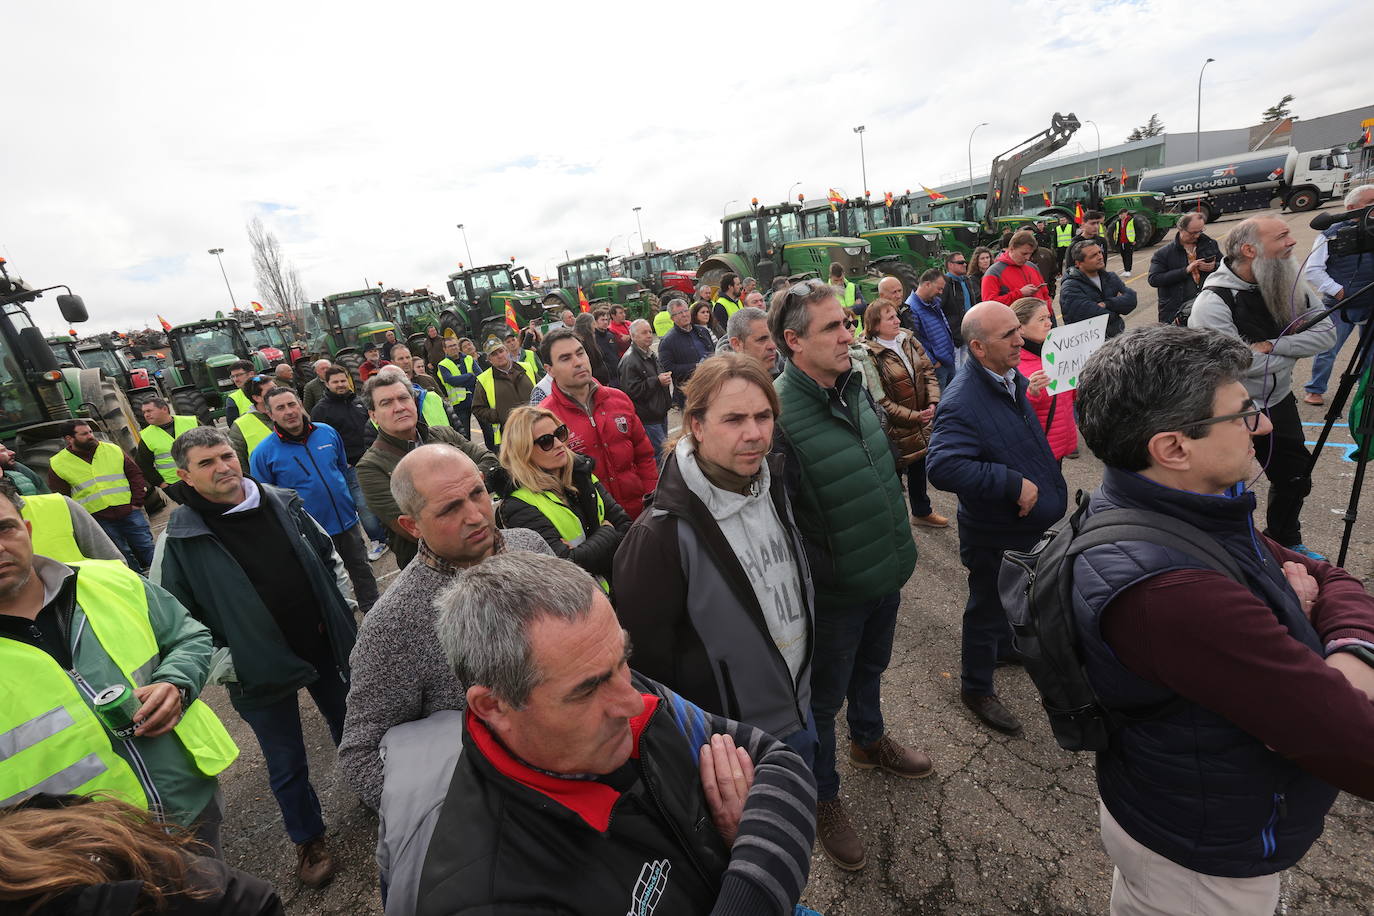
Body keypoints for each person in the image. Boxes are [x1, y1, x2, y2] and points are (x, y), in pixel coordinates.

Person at [1071, 324, 1374, 914]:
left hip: (1177, 811)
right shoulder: (1173, 590)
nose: (1262, 425)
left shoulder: (1177, 507)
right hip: (1202, 865)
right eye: (1241, 414)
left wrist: (1324, 631)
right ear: (1173, 448)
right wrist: (1342, 652)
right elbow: (1356, 741)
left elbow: (1331, 576)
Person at [406, 552, 817, 915]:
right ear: (494, 707)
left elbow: (779, 763)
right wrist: (753, 852)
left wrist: (743, 868)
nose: (633, 702)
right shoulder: (492, 898)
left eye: (623, 658)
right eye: (587, 689)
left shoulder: (620, 687)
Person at [153, 427, 358, 887]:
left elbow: (328, 558)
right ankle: (309, 839)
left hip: (320, 645)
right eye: (206, 463)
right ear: (185, 475)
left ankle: (372, 787)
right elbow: (175, 619)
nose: (222, 467)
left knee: (351, 722)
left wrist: (338, 609)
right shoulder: (179, 538)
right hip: (258, 671)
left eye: (226, 456)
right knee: (286, 761)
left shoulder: (283, 502)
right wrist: (232, 662)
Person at [769, 279, 928, 871]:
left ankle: (870, 740)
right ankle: (823, 798)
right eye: (832, 328)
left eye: (846, 322)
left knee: (873, 666)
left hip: (882, 568)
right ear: (793, 341)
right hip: (835, 593)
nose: (849, 335)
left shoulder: (855, 386)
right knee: (820, 701)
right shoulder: (779, 415)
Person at [0, 484, 237, 852]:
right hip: (80, 861)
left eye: (5, 528)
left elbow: (188, 636)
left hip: (189, 809)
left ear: (27, 530)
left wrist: (176, 683)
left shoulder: (109, 579)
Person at [614, 354, 817, 764]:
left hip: (799, 705)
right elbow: (649, 672)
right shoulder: (659, 535)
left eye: (763, 417)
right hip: (732, 740)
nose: (754, 434)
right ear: (697, 426)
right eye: (734, 419)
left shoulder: (772, 484)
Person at [338, 444, 553, 811]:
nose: (475, 516)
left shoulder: (531, 546)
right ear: (411, 525)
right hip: (503, 812)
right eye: (450, 508)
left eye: (477, 494)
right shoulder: (395, 622)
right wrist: (451, 825)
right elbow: (360, 753)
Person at [927, 301, 1068, 736]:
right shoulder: (962, 400)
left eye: (1016, 330)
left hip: (1019, 524)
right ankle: (976, 687)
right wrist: (1011, 483)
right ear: (978, 347)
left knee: (1011, 601)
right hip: (994, 531)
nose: (1019, 340)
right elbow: (942, 466)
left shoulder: (1006, 375)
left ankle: (1005, 649)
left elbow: (1006, 434)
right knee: (987, 607)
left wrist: (1032, 398)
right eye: (1008, 335)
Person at [1188, 215, 1336, 558]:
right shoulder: (1213, 302)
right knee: (1227, 486)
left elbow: (1327, 334)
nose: (1292, 241)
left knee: (1296, 477)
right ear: (1250, 249)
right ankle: (1230, 549)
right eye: (1282, 236)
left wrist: (1274, 345)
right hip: (1230, 410)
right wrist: (1292, 350)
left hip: (1279, 399)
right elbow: (1238, 365)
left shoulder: (1289, 281)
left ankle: (1285, 538)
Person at [0, 795, 283, 915]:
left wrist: (176, 684)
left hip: (100, 841)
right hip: (91, 827)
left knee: (206, 885)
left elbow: (246, 903)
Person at [251, 386, 379, 614]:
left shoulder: (327, 433)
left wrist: (350, 503)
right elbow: (267, 501)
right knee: (327, 582)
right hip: (311, 533)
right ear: (270, 414)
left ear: (300, 404)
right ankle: (343, 621)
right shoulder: (263, 454)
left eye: (292, 404)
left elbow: (341, 469)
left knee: (361, 569)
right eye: (280, 408)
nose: (289, 411)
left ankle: (375, 613)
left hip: (346, 521)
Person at [356, 369, 497, 569]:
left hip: (486, 544)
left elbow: (490, 460)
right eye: (386, 403)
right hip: (434, 567)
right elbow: (414, 527)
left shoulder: (443, 434)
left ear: (414, 403)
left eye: (403, 398)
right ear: (373, 416)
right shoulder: (371, 467)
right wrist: (472, 488)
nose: (399, 407)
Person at [494, 406, 631, 589]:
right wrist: (607, 532)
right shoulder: (518, 505)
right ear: (523, 451)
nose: (559, 444)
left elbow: (626, 527)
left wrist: (584, 553)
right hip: (583, 604)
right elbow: (564, 569)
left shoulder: (581, 473)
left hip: (619, 584)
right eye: (546, 441)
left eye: (560, 433)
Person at [540, 328, 658, 518]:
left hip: (641, 515)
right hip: (599, 529)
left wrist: (651, 498)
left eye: (580, 353)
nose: (578, 362)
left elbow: (644, 455)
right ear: (549, 370)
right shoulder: (545, 418)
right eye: (565, 358)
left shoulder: (619, 399)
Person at [862, 297, 947, 527]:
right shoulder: (869, 353)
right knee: (894, 477)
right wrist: (913, 417)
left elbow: (928, 371)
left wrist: (932, 402)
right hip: (893, 427)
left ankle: (921, 512)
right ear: (875, 324)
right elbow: (880, 399)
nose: (897, 320)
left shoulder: (908, 339)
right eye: (890, 318)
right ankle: (896, 523)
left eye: (896, 315)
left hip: (920, 418)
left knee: (919, 467)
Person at [47, 420, 154, 573]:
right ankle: (138, 584)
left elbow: (135, 475)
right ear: (69, 439)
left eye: (91, 432)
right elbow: (62, 495)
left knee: (147, 547)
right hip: (98, 518)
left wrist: (136, 502)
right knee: (120, 557)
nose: (91, 436)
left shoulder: (112, 450)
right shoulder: (58, 463)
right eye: (84, 434)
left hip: (129, 511)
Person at [1303, 184, 1374, 406]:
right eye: (1370, 204)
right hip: (1342, 304)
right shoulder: (1331, 234)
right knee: (1328, 349)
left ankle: (1366, 388)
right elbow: (1312, 270)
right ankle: (1315, 389)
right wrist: (1337, 290)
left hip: (1370, 303)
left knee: (1370, 352)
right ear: (1352, 207)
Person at [310, 365, 387, 561]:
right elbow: (319, 441)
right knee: (362, 506)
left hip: (373, 459)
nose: (340, 385)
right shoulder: (321, 410)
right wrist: (342, 462)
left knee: (381, 498)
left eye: (343, 381)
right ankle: (378, 540)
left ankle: (387, 535)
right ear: (327, 384)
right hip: (350, 467)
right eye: (335, 382)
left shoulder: (359, 402)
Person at [1012, 296, 1078, 461]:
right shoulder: (1014, 364)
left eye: (1048, 317)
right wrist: (1032, 394)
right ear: (1020, 328)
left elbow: (1070, 397)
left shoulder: (1057, 352)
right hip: (1038, 450)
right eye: (1042, 319)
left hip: (1061, 441)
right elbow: (1013, 414)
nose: (1049, 323)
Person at [1147, 210, 1221, 325]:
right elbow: (1154, 279)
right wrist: (1185, 270)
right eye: (1192, 233)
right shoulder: (1163, 253)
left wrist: (1215, 267)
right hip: (1177, 313)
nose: (1196, 236)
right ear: (1180, 229)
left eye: (1200, 231)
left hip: (1207, 308)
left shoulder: (1210, 244)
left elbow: (1228, 267)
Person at [1060, 239, 1138, 337]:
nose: (1100, 257)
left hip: (1115, 339)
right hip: (1089, 344)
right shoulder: (1070, 286)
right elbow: (1092, 317)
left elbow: (1131, 299)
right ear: (1078, 263)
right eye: (1093, 256)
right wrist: (1117, 309)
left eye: (1100, 252)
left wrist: (1106, 304)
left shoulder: (1110, 277)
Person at [617, 318, 672, 456]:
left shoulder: (649, 353)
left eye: (649, 331)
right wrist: (657, 381)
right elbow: (630, 391)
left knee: (663, 451)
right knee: (661, 454)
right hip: (648, 417)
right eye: (644, 333)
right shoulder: (630, 361)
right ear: (633, 336)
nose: (649, 335)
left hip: (659, 413)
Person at [472, 335, 536, 447]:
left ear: (506, 351)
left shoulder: (527, 368)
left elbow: (542, 392)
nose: (499, 356)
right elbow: (477, 409)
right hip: (511, 435)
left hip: (537, 425)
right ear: (489, 359)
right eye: (494, 354)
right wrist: (498, 416)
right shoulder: (483, 380)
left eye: (501, 351)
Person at [135, 397, 199, 504]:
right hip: (176, 484)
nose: (146, 415)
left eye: (149, 411)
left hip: (202, 475)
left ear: (164, 409)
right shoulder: (146, 436)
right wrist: (161, 484)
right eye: (144, 412)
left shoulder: (192, 422)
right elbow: (143, 465)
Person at [657, 297, 716, 408]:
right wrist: (695, 367)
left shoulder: (703, 331)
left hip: (711, 385)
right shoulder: (667, 342)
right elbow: (667, 368)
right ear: (672, 318)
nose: (684, 315)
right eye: (679, 313)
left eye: (686, 310)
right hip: (689, 394)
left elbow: (713, 352)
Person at [904, 269, 957, 389]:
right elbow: (915, 341)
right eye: (939, 288)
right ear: (927, 284)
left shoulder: (933, 302)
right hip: (938, 368)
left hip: (947, 360)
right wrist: (934, 363)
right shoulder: (912, 308)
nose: (941, 292)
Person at [981, 229, 1052, 312]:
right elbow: (989, 306)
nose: (1028, 258)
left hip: (1040, 321)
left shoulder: (1032, 267)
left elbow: (1045, 294)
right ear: (1011, 249)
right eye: (1024, 253)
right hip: (1013, 323)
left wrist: (1048, 311)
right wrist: (1020, 293)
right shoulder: (994, 272)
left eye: (1030, 254)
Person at [226, 374, 277, 472]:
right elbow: (240, 464)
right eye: (271, 391)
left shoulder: (289, 412)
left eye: (276, 388)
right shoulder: (240, 426)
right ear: (257, 398)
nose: (277, 392)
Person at [434, 334, 478, 436]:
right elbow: (451, 380)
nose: (453, 348)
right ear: (445, 349)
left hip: (476, 398)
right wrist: (470, 376)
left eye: (455, 345)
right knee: (464, 435)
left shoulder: (468, 359)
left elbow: (479, 375)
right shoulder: (443, 365)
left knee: (488, 431)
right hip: (460, 404)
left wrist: (465, 379)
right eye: (450, 346)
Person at [942, 251, 977, 367]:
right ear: (950, 265)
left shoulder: (966, 280)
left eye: (965, 262)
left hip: (968, 331)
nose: (965, 264)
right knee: (957, 368)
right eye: (960, 262)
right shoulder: (945, 283)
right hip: (954, 336)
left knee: (968, 365)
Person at [725, 305, 780, 376]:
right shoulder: (722, 384)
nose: (773, 346)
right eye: (762, 339)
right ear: (736, 344)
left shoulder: (786, 369)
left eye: (773, 337)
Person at [573, 312, 614, 388]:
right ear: (587, 325)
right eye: (593, 323)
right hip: (595, 382)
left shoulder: (591, 339)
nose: (594, 326)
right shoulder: (581, 343)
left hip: (602, 381)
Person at [591, 307, 623, 379]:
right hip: (606, 377)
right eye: (602, 320)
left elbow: (616, 354)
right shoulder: (593, 339)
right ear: (595, 322)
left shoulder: (610, 335)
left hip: (618, 374)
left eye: (606, 320)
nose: (605, 322)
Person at [1112, 209, 1137, 276]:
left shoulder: (1131, 220)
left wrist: (1134, 240)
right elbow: (1117, 231)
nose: (1120, 216)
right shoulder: (1118, 222)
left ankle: (1128, 270)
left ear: (1126, 213)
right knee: (1123, 256)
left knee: (1128, 255)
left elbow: (1136, 230)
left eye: (1121, 214)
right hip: (1121, 241)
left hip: (1129, 241)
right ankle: (1125, 269)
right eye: (1119, 215)